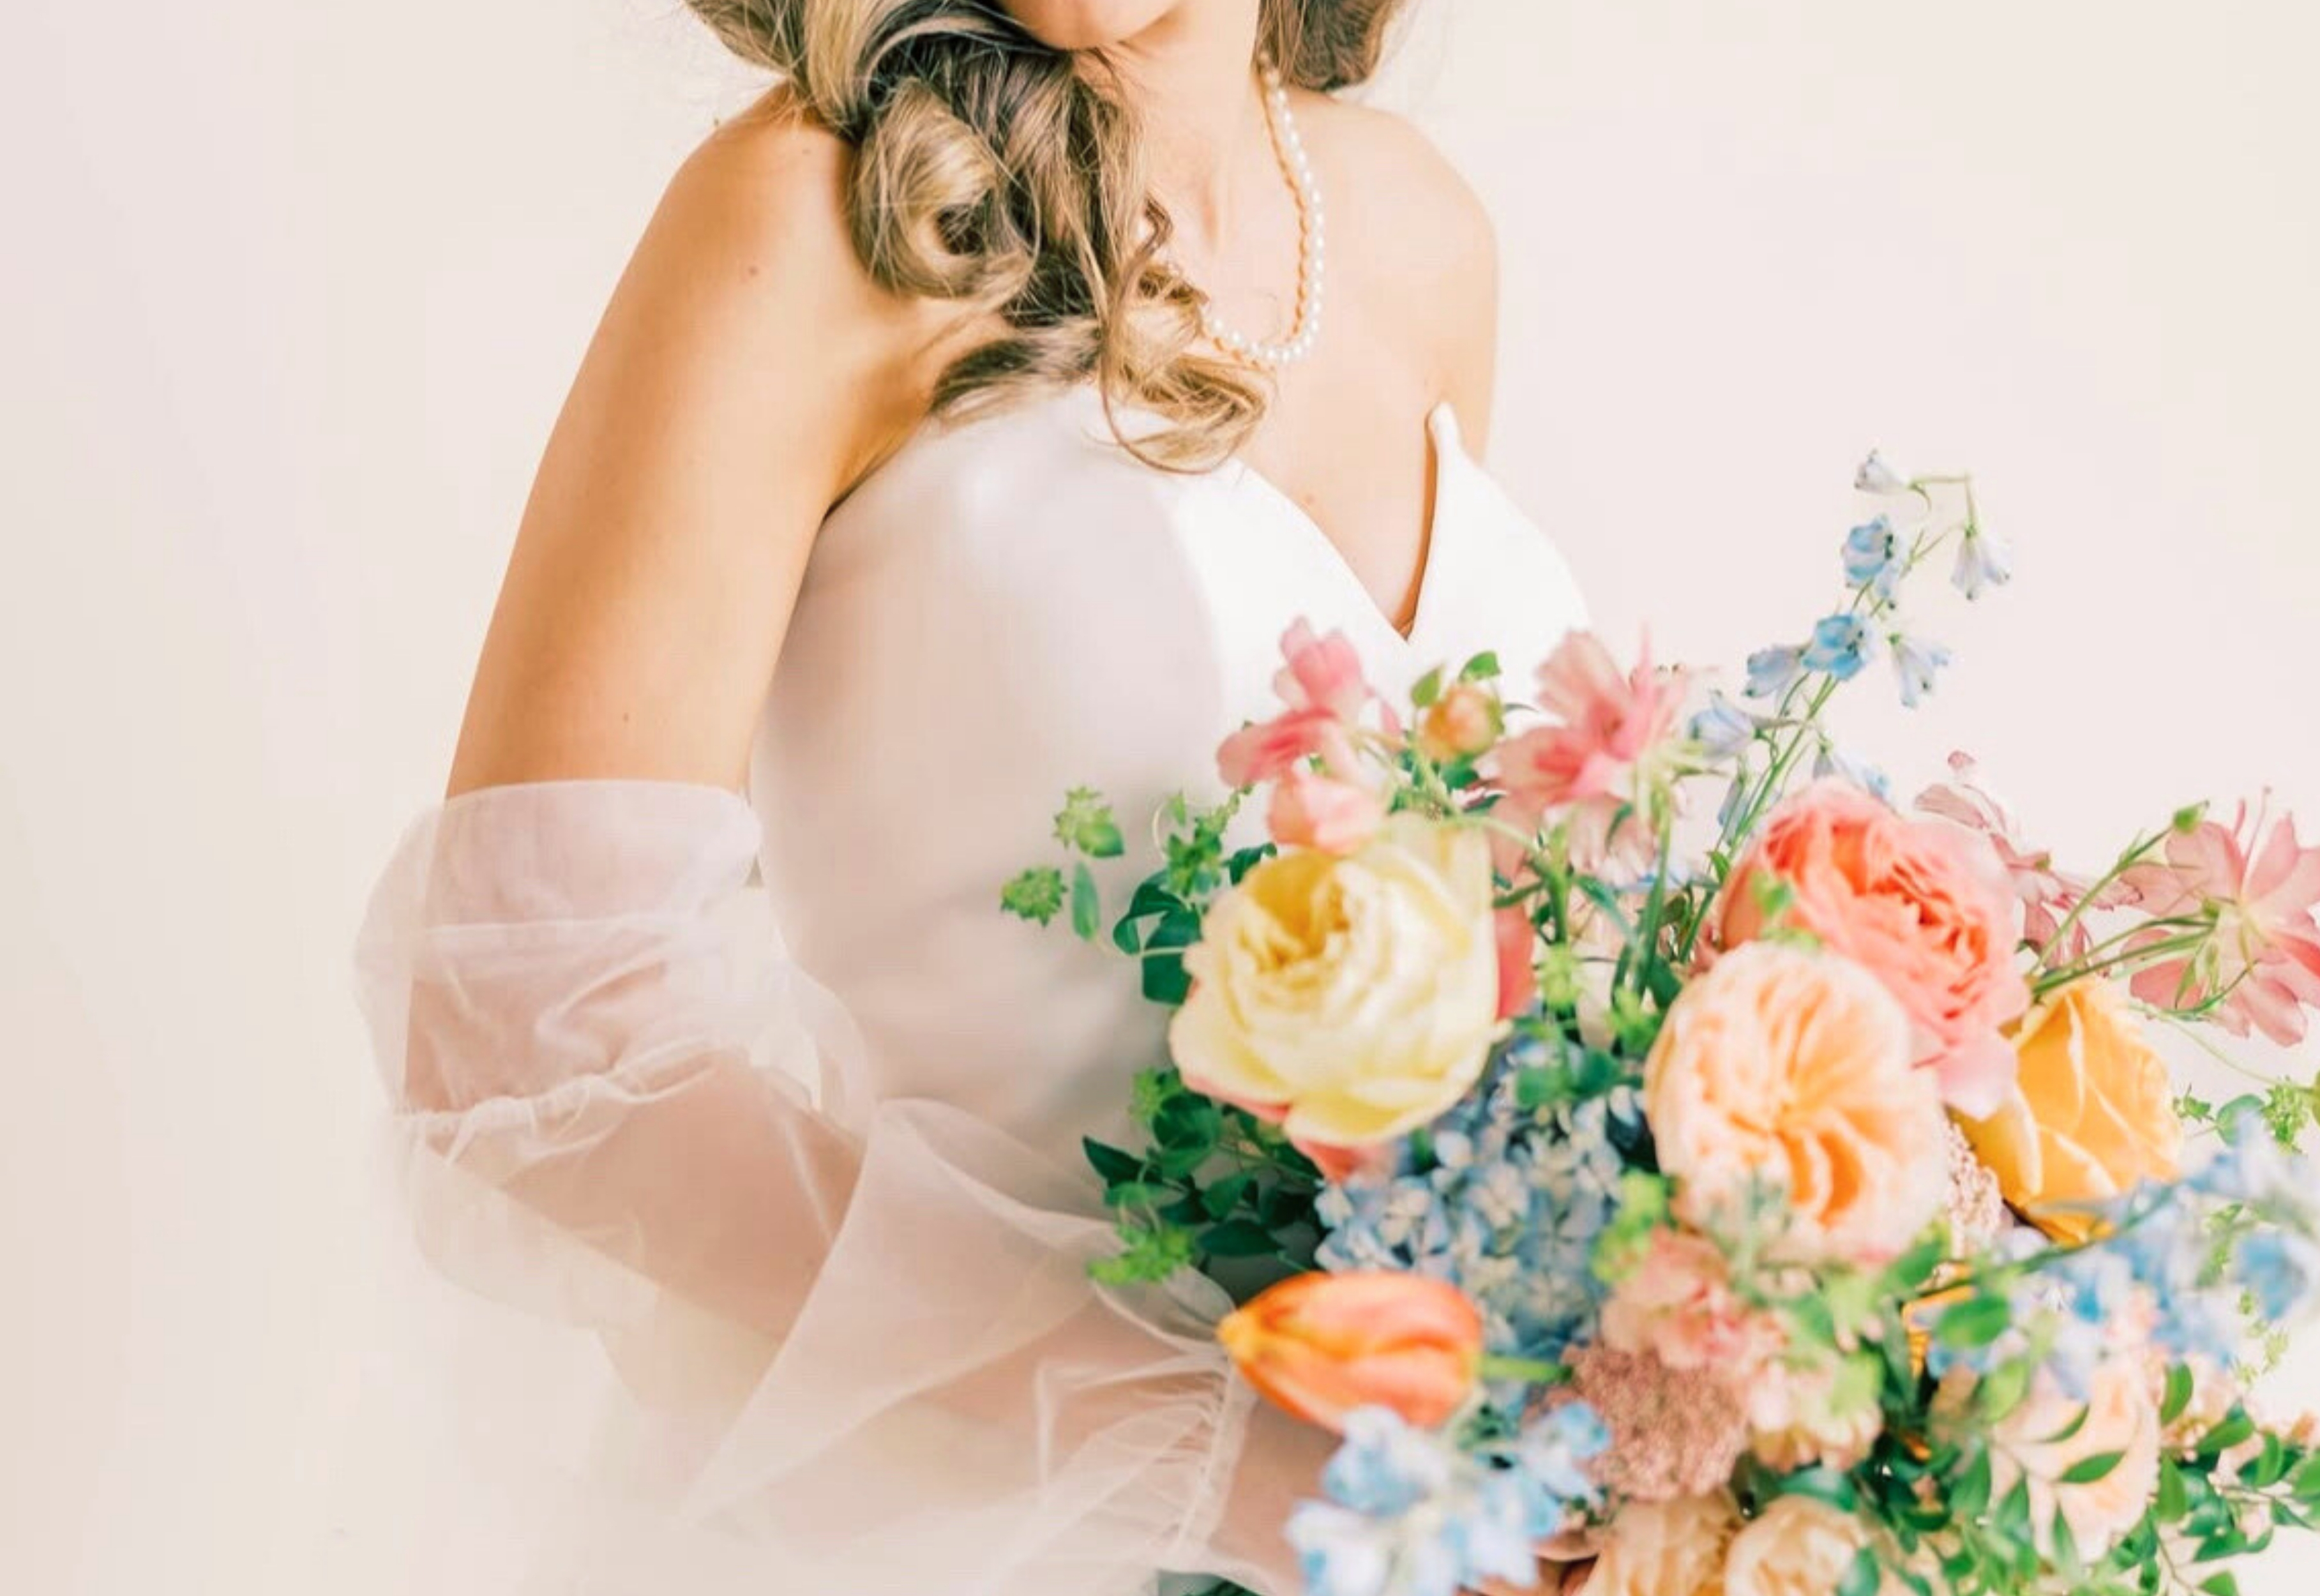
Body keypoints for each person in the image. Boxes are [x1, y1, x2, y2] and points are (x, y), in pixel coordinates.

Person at [352, 2, 1593, 1591]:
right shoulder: (812, 224)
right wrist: (1198, 1441)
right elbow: (519, 1020)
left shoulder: (1421, 229)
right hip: (952, 1524)